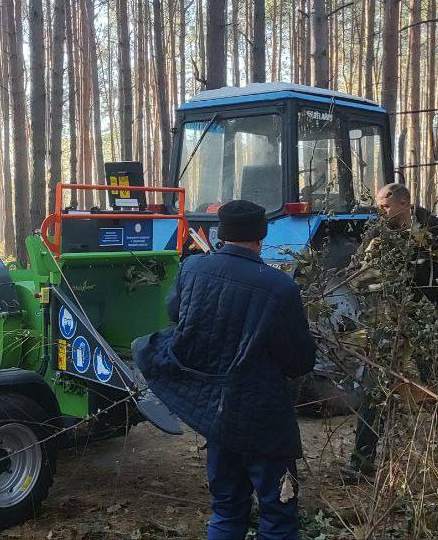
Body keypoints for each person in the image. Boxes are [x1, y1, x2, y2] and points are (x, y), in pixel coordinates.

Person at [135, 199, 317, 540]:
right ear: (261, 235)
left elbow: (177, 314)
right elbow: (299, 361)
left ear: (222, 232)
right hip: (264, 422)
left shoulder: (192, 269)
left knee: (227, 508)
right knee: (278, 514)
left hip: (216, 416)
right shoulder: (280, 287)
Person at [343, 183, 438, 484]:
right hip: (390, 325)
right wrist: (370, 283)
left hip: (432, 325)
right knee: (373, 392)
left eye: (384, 207)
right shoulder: (377, 234)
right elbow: (353, 273)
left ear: (405, 203)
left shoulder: (436, 229)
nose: (380, 213)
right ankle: (362, 464)